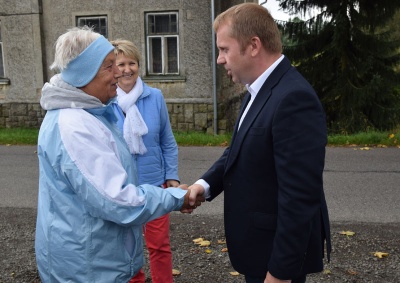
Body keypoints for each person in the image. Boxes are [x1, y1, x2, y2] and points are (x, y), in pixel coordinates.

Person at [35, 26, 203, 283]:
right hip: (89, 267)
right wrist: (176, 197)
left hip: (92, 258)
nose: (119, 73)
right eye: (109, 66)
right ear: (84, 72)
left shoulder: (89, 112)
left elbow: (165, 142)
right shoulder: (75, 126)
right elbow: (118, 201)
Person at [187, 3, 331, 283]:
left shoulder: (293, 99)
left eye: (224, 49)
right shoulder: (258, 89)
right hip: (259, 251)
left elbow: (299, 197)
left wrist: (279, 273)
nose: (219, 59)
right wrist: (202, 187)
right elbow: (238, 150)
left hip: (274, 261)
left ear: (253, 45)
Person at [110, 39, 178, 283]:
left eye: (132, 63)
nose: (127, 69)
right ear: (112, 68)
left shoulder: (155, 97)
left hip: (154, 184)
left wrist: (171, 177)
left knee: (159, 245)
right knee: (128, 247)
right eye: (121, 64)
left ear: (139, 65)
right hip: (121, 186)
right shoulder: (105, 101)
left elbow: (167, 141)